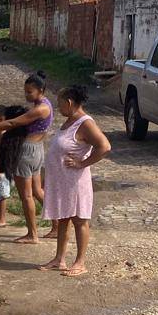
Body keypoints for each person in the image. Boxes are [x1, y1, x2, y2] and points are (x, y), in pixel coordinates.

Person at [39, 85, 111, 277]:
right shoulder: (69, 121)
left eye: (60, 103)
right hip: (62, 182)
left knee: (79, 220)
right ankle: (59, 259)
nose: (58, 107)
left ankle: (80, 262)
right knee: (63, 218)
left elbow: (104, 147)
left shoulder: (86, 123)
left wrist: (82, 163)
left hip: (75, 181)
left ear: (69, 102)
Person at [0, 70, 53, 244]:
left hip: (27, 151)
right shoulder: (46, 104)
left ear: (41, 90)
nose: (26, 95)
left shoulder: (40, 109)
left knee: (26, 196)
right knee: (37, 191)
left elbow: (13, 122)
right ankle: (56, 226)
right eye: (25, 91)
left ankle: (32, 234)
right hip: (37, 150)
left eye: (29, 92)